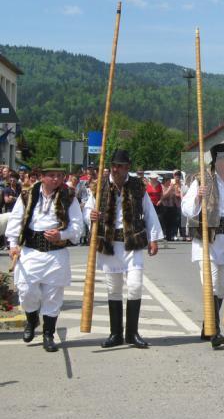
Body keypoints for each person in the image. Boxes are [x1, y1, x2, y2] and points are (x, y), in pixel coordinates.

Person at [85, 150, 163, 349]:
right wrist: (91, 215)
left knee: (135, 285)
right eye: (122, 167)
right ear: (114, 167)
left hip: (132, 242)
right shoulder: (99, 186)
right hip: (110, 243)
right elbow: (88, 209)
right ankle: (116, 334)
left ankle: (132, 332)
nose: (125, 171)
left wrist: (154, 239)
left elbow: (149, 212)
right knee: (114, 288)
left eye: (128, 167)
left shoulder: (137, 185)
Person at [6, 160, 83, 352]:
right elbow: (15, 220)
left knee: (53, 296)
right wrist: (13, 244)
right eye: (52, 175)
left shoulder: (69, 196)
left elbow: (77, 226)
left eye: (60, 175)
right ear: (42, 176)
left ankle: (49, 334)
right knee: (25, 291)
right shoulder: (27, 194)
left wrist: (61, 235)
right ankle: (32, 321)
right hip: (31, 251)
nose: (56, 179)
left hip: (56, 254)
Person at [181, 143, 224, 348]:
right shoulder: (201, 179)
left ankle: (207, 325)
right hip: (208, 240)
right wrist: (199, 197)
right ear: (218, 163)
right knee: (212, 284)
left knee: (221, 288)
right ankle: (215, 331)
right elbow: (187, 210)